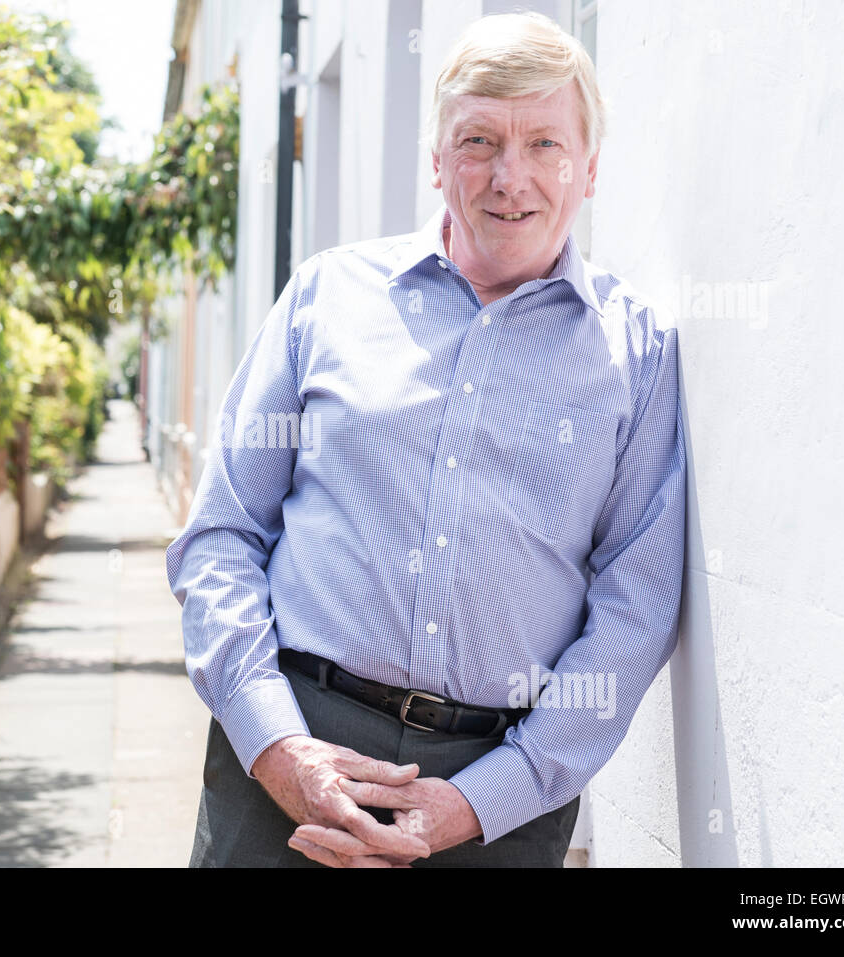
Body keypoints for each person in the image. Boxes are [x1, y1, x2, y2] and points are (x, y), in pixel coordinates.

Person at [165, 10, 685, 867]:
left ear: (589, 169)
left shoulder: (638, 353)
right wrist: (277, 745)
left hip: (499, 803)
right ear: (436, 160)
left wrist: (485, 799)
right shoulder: (326, 297)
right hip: (289, 767)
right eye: (478, 139)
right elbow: (222, 534)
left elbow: (635, 612)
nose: (509, 177)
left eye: (546, 145)